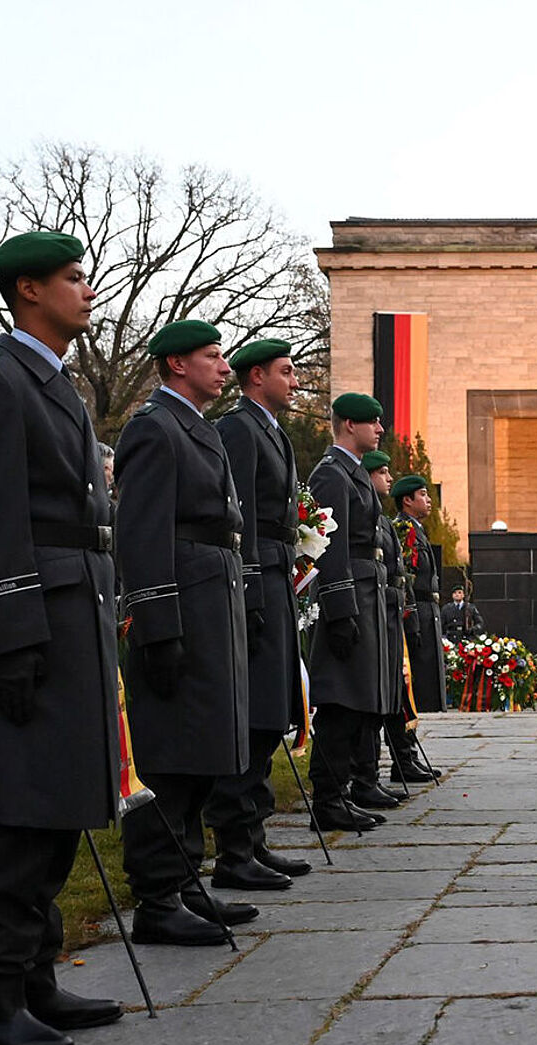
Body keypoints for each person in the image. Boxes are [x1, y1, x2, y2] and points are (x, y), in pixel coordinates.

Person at [0, 230, 121, 1045]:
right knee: (16, 812)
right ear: (27, 291)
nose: (86, 289)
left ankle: (36, 977)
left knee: (56, 804)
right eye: (72, 278)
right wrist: (11, 637)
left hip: (73, 608)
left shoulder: (56, 383)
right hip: (34, 617)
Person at [115, 319, 252, 946]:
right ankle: (156, 897)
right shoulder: (154, 427)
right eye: (212, 356)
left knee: (201, 754)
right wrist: (158, 625)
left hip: (209, 596)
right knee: (171, 756)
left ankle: (185, 879)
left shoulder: (195, 427)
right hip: (182, 604)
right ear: (176, 364)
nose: (224, 368)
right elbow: (142, 533)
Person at [201, 338, 313, 891]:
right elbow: (237, 513)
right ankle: (233, 849)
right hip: (257, 576)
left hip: (276, 571)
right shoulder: (239, 429)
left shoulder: (270, 430)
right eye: (286, 372)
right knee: (254, 715)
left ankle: (255, 838)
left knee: (271, 711)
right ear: (256, 376)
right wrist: (247, 589)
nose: (294, 380)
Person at [306, 394, 396, 833]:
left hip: (367, 589)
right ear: (347, 426)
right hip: (351, 592)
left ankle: (343, 790)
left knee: (359, 700)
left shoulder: (351, 472)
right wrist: (340, 610)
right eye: (371, 423)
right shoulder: (331, 475)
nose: (379, 430)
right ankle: (327, 797)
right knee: (341, 701)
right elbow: (329, 547)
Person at [349, 452, 410, 809]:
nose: (388, 478)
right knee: (364, 698)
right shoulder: (337, 480)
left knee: (381, 695)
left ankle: (368, 775)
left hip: (383, 607)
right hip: (368, 604)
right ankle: (358, 778)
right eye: (382, 472)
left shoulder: (383, 520)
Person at [389, 473, 443, 782]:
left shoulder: (417, 530)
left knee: (417, 689)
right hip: (417, 613)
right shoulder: (404, 529)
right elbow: (406, 577)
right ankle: (403, 758)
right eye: (423, 494)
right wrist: (411, 617)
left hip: (427, 610)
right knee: (409, 688)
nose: (428, 500)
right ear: (407, 500)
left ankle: (408, 755)